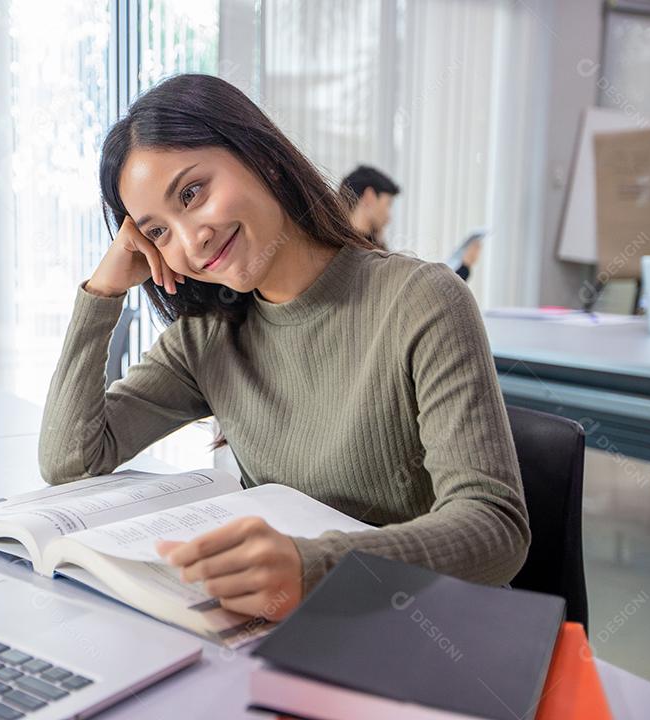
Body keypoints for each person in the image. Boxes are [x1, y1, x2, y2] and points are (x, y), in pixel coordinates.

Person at [38, 74, 529, 622]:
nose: (190, 240)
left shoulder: (422, 301)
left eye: (192, 193)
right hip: (285, 629)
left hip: (424, 630)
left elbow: (495, 528)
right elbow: (72, 461)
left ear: (261, 155)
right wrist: (100, 294)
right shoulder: (208, 336)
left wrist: (316, 569)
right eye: (157, 233)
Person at [340, 164, 482, 280]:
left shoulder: (343, 247)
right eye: (387, 204)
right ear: (370, 197)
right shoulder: (360, 254)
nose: (388, 218)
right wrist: (464, 268)